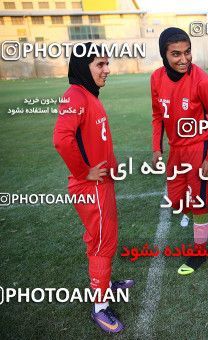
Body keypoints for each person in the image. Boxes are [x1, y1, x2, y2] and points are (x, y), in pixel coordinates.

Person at [53, 42, 134, 334]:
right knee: (101, 243)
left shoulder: (88, 94)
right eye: (100, 64)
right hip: (91, 187)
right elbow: (62, 140)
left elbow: (93, 139)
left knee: (104, 238)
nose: (106, 69)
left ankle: (105, 283)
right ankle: (100, 307)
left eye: (107, 63)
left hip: (102, 183)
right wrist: (85, 172)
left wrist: (110, 167)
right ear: (82, 67)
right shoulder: (75, 95)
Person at [151, 28, 208, 275]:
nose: (183, 59)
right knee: (176, 200)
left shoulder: (202, 81)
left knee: (199, 202)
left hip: (199, 147)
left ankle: (199, 252)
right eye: (176, 54)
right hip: (176, 151)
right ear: (164, 54)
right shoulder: (156, 78)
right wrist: (156, 148)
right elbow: (156, 115)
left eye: (187, 52)